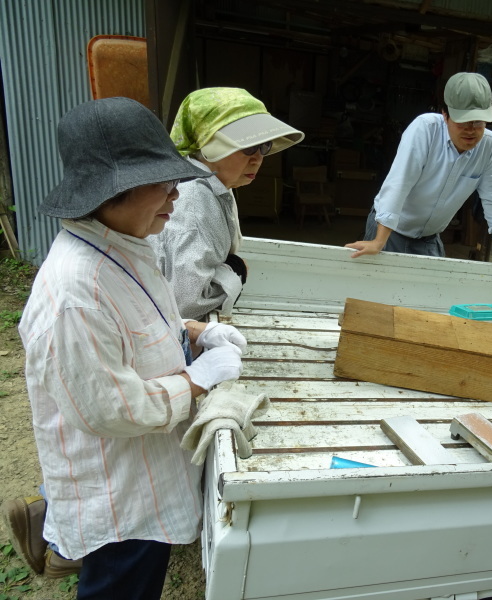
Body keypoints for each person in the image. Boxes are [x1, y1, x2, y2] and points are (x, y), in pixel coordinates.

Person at [6, 97, 248, 598]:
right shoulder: (76, 294)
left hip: (145, 474)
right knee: (122, 584)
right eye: (159, 184)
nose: (174, 197)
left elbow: (142, 320)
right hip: (120, 497)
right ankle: (60, 535)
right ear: (108, 192)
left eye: (174, 181)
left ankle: (51, 531)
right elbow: (110, 409)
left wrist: (197, 334)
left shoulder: (124, 242)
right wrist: (199, 379)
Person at [345, 72, 492, 275]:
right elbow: (399, 184)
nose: (471, 130)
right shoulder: (425, 129)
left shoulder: (491, 147)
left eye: (478, 122)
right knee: (378, 296)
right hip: (389, 231)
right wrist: (378, 242)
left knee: (426, 300)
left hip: (429, 237)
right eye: (463, 121)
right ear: (445, 114)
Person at [152, 87, 305, 320]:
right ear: (209, 145)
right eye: (248, 147)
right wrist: (234, 271)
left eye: (264, 147)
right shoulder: (193, 201)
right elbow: (187, 304)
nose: (258, 159)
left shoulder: (215, 184)